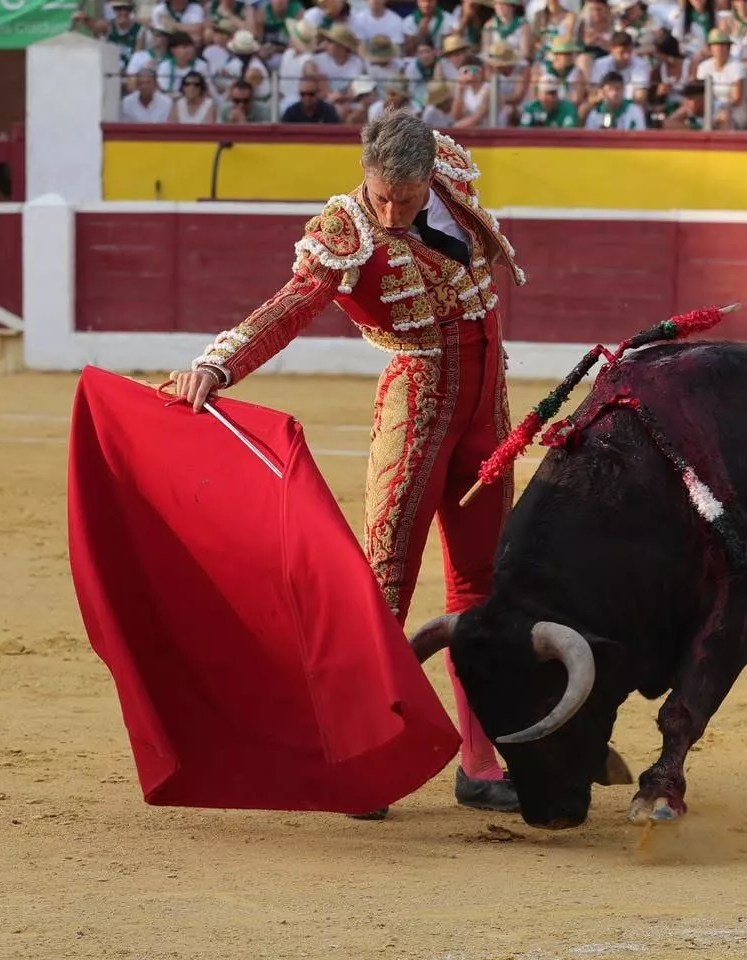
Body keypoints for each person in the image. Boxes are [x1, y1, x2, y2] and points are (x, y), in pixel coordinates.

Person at [162, 115, 527, 819]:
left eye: (407, 198)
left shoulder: (449, 176)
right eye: (382, 196)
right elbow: (293, 303)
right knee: (384, 582)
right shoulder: (344, 229)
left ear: (431, 177)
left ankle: (479, 763)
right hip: (417, 409)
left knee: (483, 587)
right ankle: (365, 756)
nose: (391, 213)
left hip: (487, 409)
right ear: (365, 174)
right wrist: (220, 361)